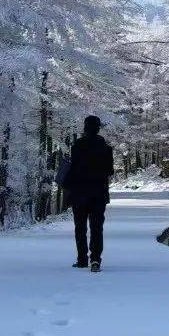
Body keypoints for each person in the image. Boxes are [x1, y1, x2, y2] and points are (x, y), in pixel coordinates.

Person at [64, 115, 114, 272]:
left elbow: (72, 170)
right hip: (98, 193)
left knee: (80, 227)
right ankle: (95, 260)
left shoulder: (77, 145)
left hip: (79, 193)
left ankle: (82, 259)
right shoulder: (105, 148)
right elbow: (109, 171)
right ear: (98, 127)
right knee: (97, 227)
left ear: (85, 127)